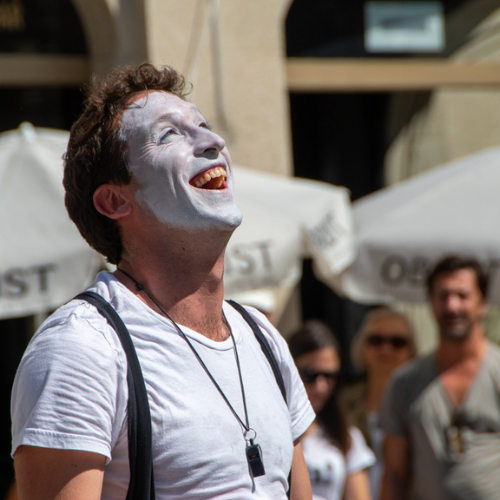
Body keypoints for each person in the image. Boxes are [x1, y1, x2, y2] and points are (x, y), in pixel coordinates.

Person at [10, 63, 315, 499]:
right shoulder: (82, 348)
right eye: (169, 135)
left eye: (204, 126)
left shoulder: (263, 336)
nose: (213, 142)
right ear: (115, 200)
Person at [379, 255, 500, 500]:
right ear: (431, 302)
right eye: (443, 296)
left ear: (482, 303)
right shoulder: (405, 383)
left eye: (462, 296)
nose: (452, 306)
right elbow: (394, 474)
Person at [289, 320, 375, 500]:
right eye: (311, 375)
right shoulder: (268, 434)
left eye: (329, 376)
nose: (321, 386)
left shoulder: (347, 436)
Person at [345, 307, 416, 500]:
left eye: (397, 342)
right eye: (376, 341)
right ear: (362, 348)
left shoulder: (421, 405)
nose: (386, 349)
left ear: (411, 352)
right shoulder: (343, 403)